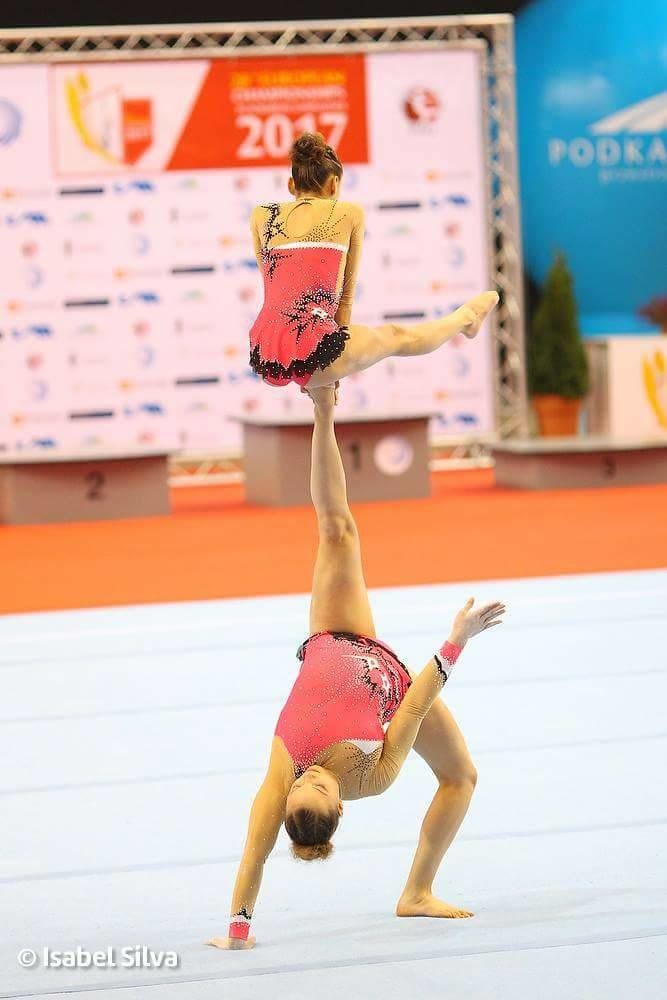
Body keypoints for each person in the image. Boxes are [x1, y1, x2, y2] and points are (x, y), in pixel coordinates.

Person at [206, 385, 505, 950]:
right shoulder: (375, 775)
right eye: (318, 785)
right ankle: (417, 891)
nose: (308, 775)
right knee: (461, 776)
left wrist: (238, 931)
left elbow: (254, 855)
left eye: (300, 784)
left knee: (336, 528)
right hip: (395, 689)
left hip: (339, 634)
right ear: (340, 805)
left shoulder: (283, 778)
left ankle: (322, 408)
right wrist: (457, 640)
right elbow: (414, 705)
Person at [248, 130, 499, 388]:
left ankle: (323, 402)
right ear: (334, 184)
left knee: (320, 385)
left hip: (265, 352)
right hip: (314, 349)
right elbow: (345, 298)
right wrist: (339, 356)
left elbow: (273, 285)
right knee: (396, 336)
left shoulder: (261, 215)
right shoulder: (348, 213)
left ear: (291, 185)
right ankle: (466, 318)